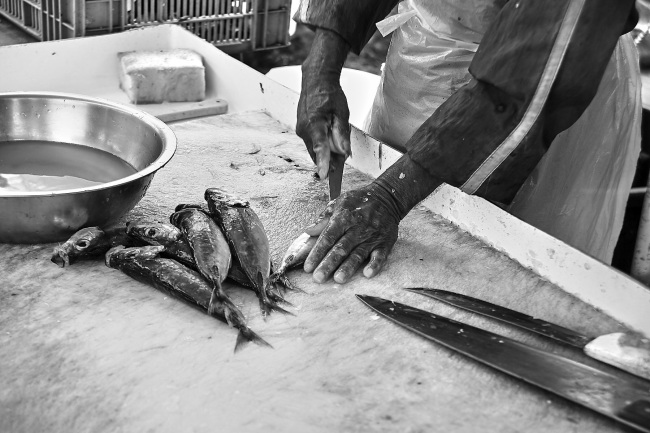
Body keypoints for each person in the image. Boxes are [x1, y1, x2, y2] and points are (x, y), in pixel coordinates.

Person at [293, 0, 641, 285]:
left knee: (502, 273)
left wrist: (390, 195)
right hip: (424, 53)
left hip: (547, 86)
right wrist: (322, 62)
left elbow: (538, 72)